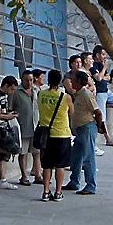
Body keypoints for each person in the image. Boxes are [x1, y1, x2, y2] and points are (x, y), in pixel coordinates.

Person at [37, 69, 73, 202]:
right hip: (61, 134)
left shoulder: (41, 94)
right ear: (60, 82)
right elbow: (72, 112)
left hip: (45, 135)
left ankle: (46, 191)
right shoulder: (65, 97)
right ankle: (58, 192)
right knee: (60, 165)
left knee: (46, 164)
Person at [63, 70, 100, 195]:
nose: (71, 81)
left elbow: (97, 112)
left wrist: (98, 126)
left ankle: (90, 185)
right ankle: (74, 181)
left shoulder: (86, 94)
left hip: (87, 127)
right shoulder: (78, 94)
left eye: (73, 79)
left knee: (88, 157)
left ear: (79, 81)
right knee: (76, 156)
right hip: (79, 129)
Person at [11, 69, 42, 185]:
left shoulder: (36, 91)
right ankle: (24, 176)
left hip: (35, 126)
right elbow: (11, 108)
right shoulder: (16, 92)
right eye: (26, 80)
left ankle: (38, 174)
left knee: (36, 152)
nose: (29, 83)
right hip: (23, 127)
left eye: (31, 80)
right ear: (22, 80)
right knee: (23, 152)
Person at [0, 76, 21, 191]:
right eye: (12, 89)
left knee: (3, 156)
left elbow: (3, 110)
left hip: (4, 126)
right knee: (12, 149)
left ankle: (3, 179)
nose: (12, 92)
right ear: (6, 86)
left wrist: (10, 114)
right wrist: (7, 116)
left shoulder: (5, 96)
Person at [90, 46, 113, 148]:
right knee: (102, 117)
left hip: (107, 91)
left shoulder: (100, 65)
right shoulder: (94, 65)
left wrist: (103, 75)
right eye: (103, 54)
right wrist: (104, 69)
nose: (105, 57)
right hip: (100, 93)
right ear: (97, 55)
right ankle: (107, 137)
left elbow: (108, 78)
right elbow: (99, 78)